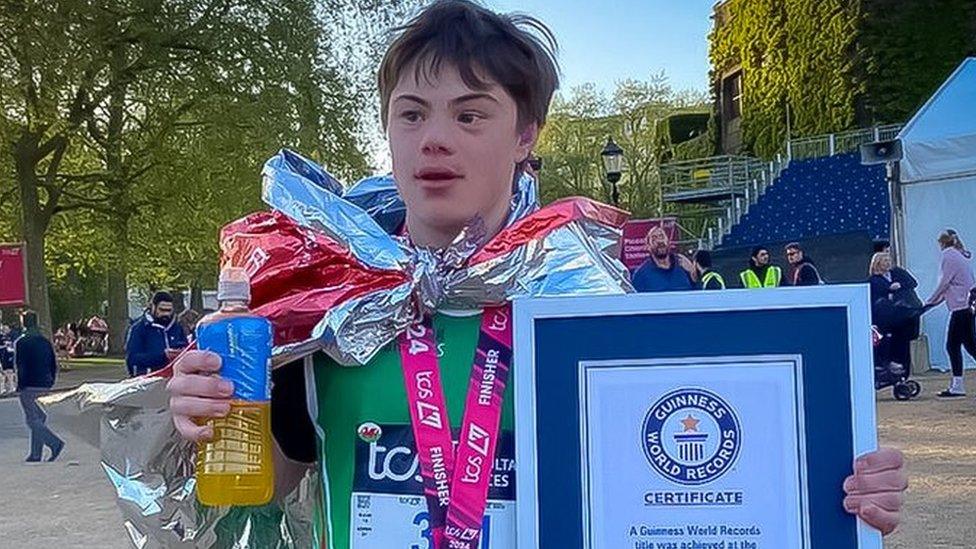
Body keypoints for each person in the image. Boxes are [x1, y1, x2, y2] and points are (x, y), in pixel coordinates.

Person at [166, 1, 906, 544]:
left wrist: (841, 486)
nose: (434, 140)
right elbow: (266, 482)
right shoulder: (326, 309)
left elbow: (698, 481)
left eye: (470, 115)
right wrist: (200, 420)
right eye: (412, 114)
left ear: (526, 135)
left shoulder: (593, 311)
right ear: (387, 129)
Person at [925, 229, 976, 398]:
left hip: (961, 306)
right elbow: (951, 285)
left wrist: (929, 302)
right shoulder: (959, 254)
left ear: (941, 243)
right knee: (968, 344)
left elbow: (944, 283)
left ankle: (957, 385)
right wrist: (934, 302)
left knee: (953, 345)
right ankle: (957, 385)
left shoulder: (948, 256)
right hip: (966, 305)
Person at [14, 310, 65, 462]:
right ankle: (35, 453)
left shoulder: (21, 342)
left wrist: (20, 385)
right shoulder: (44, 341)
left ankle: (54, 443)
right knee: (39, 416)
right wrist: (51, 380)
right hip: (44, 381)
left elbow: (20, 365)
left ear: (24, 323)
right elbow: (52, 362)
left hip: (29, 382)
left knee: (32, 418)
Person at [869, 252, 922, 371]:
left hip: (903, 315)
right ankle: (886, 363)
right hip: (886, 318)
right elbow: (878, 293)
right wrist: (890, 289)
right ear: (878, 263)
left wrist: (900, 286)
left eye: (889, 260)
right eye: (885, 261)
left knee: (903, 341)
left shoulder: (897, 272)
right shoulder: (874, 280)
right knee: (887, 340)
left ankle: (903, 367)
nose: (888, 263)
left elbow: (912, 282)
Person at [125, 291, 188, 377]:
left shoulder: (177, 328)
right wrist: (163, 356)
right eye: (162, 310)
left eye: (169, 310)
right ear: (153, 307)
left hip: (174, 378)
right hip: (148, 379)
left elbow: (186, 348)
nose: (166, 314)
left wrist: (180, 351)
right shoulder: (139, 328)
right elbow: (132, 359)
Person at [632, 226, 696, 292]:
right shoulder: (641, 275)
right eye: (654, 239)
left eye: (662, 236)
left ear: (668, 241)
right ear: (648, 246)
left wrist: (692, 271)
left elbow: (699, 293)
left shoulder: (683, 264)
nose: (659, 241)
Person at [0, 321, 16, 395]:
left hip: (7, 355)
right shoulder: (3, 337)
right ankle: (3, 388)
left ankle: (10, 387)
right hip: (3, 355)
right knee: (4, 372)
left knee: (8, 371)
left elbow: (11, 345)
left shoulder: (8, 336)